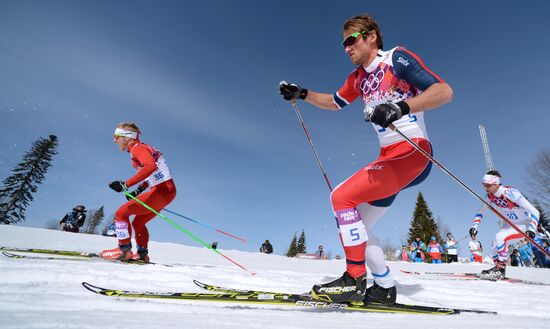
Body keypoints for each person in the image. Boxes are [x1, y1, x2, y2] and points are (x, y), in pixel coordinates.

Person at [279, 12, 452, 305]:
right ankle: (384, 287)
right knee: (355, 223)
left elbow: (443, 91)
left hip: (413, 151)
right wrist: (303, 93)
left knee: (340, 198)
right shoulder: (358, 78)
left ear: (371, 37)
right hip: (389, 157)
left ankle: (353, 279)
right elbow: (334, 102)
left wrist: (401, 107)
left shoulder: (395, 59)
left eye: (351, 40)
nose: (347, 48)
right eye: (343, 44)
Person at [100, 122, 177, 263]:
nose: (114, 140)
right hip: (166, 192)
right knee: (138, 223)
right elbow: (153, 173)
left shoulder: (137, 149)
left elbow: (150, 166)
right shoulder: (144, 148)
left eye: (117, 136)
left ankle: (124, 250)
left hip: (161, 191)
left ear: (128, 137)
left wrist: (125, 184)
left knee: (121, 214)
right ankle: (142, 254)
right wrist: (139, 190)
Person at [469, 170, 540, 278]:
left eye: (487, 185)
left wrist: (531, 228)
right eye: (483, 185)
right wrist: (474, 226)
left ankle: (501, 269)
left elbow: (535, 211)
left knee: (500, 237)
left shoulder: (511, 193)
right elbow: (480, 212)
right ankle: (498, 269)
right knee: (494, 247)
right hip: (510, 225)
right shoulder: (489, 197)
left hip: (523, 225)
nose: (485, 188)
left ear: (495, 184)